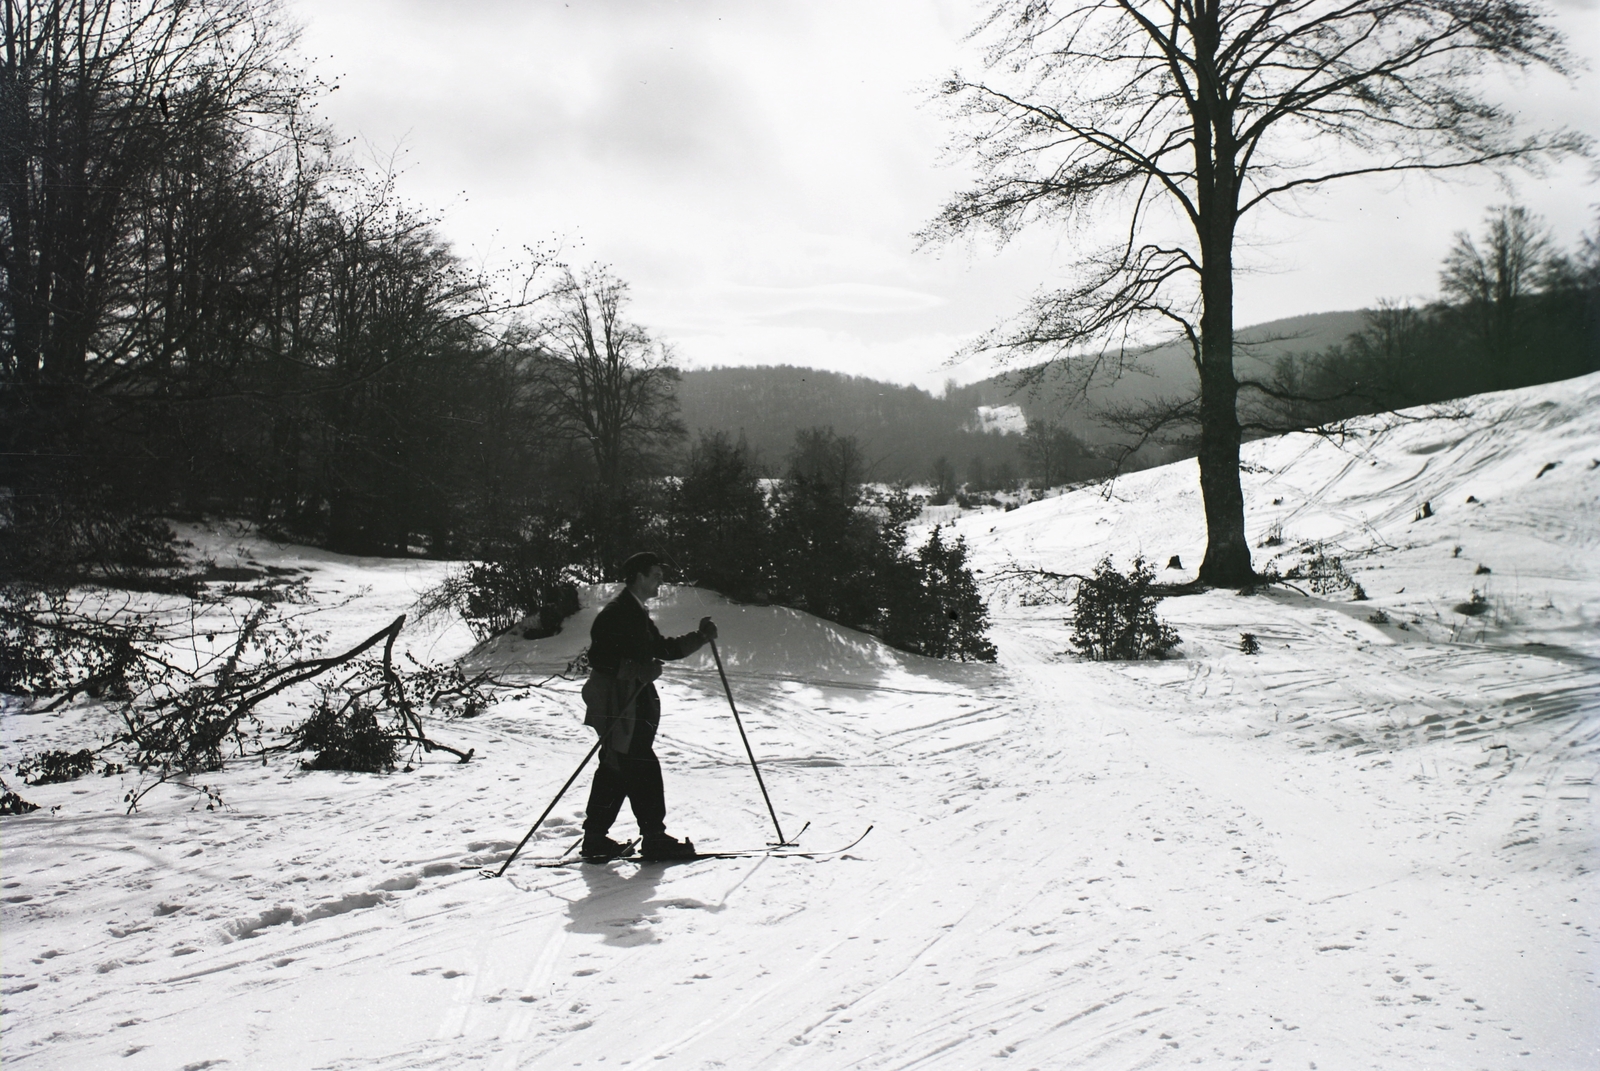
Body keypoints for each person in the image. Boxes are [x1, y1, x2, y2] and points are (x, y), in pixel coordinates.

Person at [580, 551, 716, 862]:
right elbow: (599, 658)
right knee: (639, 766)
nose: (660, 581)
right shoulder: (616, 613)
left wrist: (700, 637)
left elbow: (661, 648)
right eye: (655, 575)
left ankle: (595, 839)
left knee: (616, 767)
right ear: (639, 576)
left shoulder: (635, 611)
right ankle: (654, 837)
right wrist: (636, 670)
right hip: (621, 704)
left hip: (631, 702)